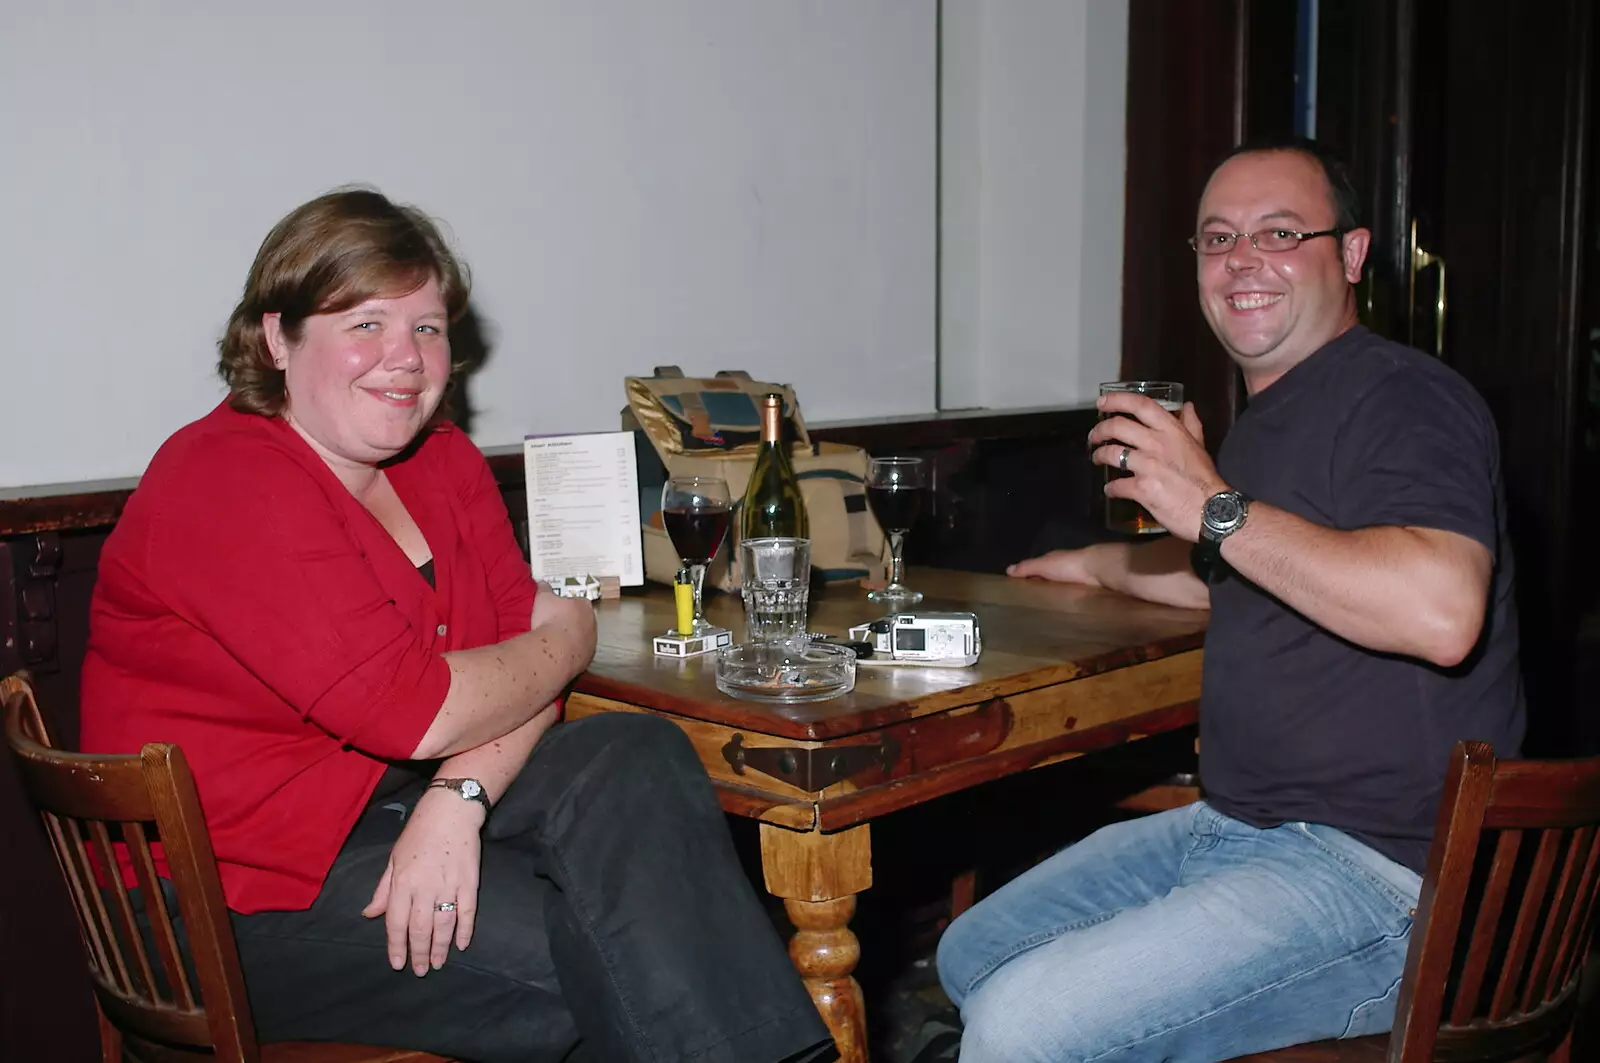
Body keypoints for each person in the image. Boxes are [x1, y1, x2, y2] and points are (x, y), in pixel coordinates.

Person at [79, 188, 836, 1063]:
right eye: (365, 323)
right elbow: (435, 706)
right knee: (615, 950)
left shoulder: (440, 460)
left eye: (428, 328)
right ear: (276, 339)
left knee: (633, 754)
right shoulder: (225, 480)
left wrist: (458, 797)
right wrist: (571, 632)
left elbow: (516, 674)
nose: (404, 358)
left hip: (382, 803)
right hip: (222, 895)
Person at [934, 138, 1525, 1062]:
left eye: (1280, 232)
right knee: (972, 954)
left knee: (1022, 1026)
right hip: (1239, 827)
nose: (1243, 260)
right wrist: (1096, 562)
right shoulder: (1268, 422)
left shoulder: (1405, 397)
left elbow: (1441, 613)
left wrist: (1208, 502)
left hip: (1386, 878)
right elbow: (1241, 574)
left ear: (1354, 255)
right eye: (1218, 239)